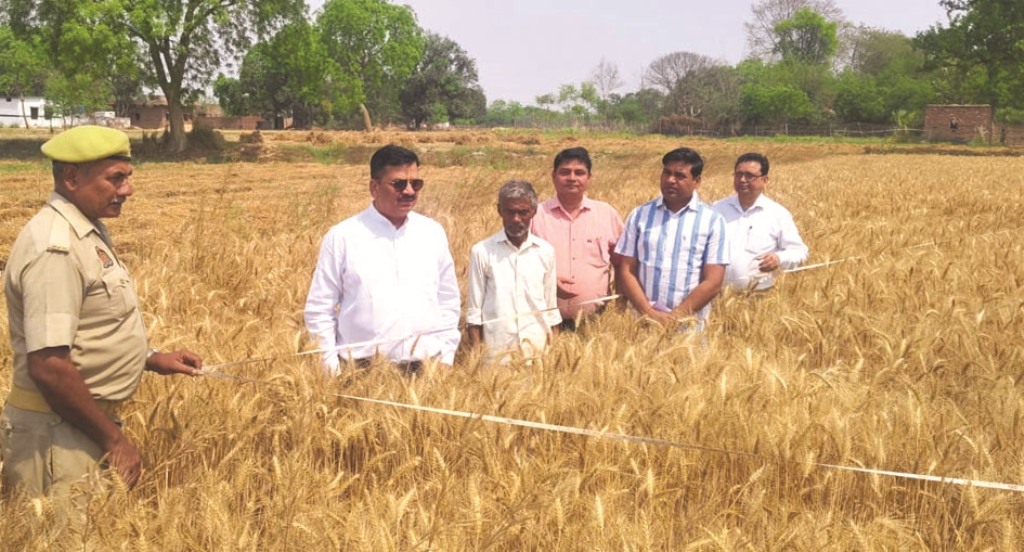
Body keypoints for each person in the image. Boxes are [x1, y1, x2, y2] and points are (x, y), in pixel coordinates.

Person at [1, 126, 203, 498]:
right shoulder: (55, 249)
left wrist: (151, 357)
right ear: (72, 177)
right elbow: (49, 365)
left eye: (127, 178)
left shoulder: (87, 229)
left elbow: (90, 327)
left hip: (77, 422)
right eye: (116, 178)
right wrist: (115, 441)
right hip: (57, 433)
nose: (127, 190)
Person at [304, 144, 460, 374]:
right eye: (398, 184)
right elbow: (319, 309)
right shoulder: (343, 236)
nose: (409, 191)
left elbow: (448, 300)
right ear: (374, 187)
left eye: (415, 184)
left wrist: (446, 356)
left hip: (428, 368)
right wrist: (332, 371)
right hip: (362, 371)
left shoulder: (432, 233)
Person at [614, 147, 729, 330]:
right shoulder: (639, 215)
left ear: (697, 181)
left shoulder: (713, 221)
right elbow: (627, 269)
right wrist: (649, 312)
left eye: (680, 176)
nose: (670, 180)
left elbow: (713, 281)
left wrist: (676, 317)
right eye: (666, 173)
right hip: (642, 322)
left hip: (690, 325)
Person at [467, 181, 561, 363]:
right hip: (496, 356)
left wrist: (554, 351)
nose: (516, 219)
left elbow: (551, 307)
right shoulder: (482, 251)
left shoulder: (546, 251)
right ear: (499, 210)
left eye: (523, 212)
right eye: (510, 212)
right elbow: (474, 312)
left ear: (533, 211)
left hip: (537, 353)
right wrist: (478, 357)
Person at [530, 147, 623, 331]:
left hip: (596, 323)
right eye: (565, 172)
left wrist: (619, 306)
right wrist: (547, 280)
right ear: (553, 176)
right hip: (543, 323)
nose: (572, 178)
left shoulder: (607, 214)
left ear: (589, 178)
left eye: (579, 173)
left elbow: (621, 264)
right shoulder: (535, 215)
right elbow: (518, 263)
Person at [712, 152, 808, 291]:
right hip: (716, 294)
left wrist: (779, 258)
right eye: (738, 175)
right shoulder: (717, 209)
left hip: (759, 296)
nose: (742, 180)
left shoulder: (778, 214)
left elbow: (799, 251)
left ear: (765, 180)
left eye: (749, 176)